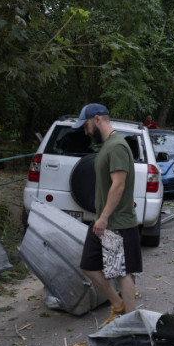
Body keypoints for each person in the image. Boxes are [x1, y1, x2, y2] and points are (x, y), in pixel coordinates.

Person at [74, 103, 141, 325]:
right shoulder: (107, 146)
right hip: (105, 221)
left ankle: (131, 323)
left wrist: (103, 217)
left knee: (122, 273)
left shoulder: (117, 146)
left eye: (85, 126)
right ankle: (117, 304)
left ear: (97, 119)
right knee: (88, 266)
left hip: (116, 222)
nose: (85, 132)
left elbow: (119, 185)